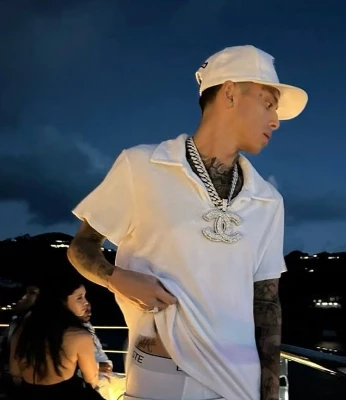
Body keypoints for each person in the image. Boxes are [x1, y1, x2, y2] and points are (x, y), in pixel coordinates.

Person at [67, 45, 308, 400]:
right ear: (230, 93)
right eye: (268, 104)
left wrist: (270, 394)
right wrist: (116, 278)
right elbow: (81, 246)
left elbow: (267, 303)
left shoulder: (268, 200)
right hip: (159, 377)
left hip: (240, 383)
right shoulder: (143, 166)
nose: (275, 121)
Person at [8, 275, 103, 399]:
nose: (86, 302)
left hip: (27, 392)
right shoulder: (79, 336)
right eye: (79, 297)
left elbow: (15, 372)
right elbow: (91, 378)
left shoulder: (22, 330)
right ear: (62, 302)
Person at [81, 302, 113, 374]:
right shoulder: (73, 332)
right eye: (86, 311)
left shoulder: (88, 325)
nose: (90, 313)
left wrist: (107, 365)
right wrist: (98, 366)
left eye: (89, 309)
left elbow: (99, 351)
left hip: (101, 372)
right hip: (90, 374)